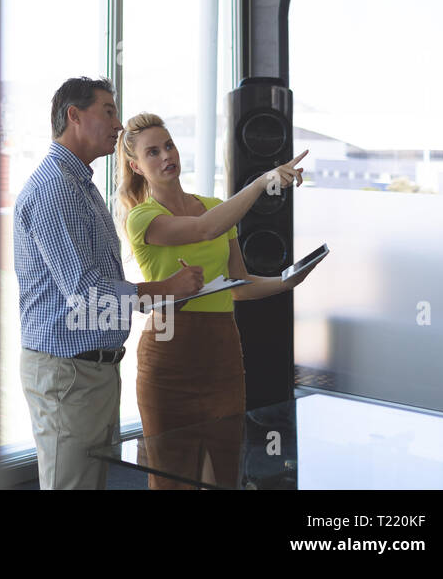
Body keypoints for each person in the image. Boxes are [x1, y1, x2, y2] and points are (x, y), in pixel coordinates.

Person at [15, 77, 205, 490]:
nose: (119, 125)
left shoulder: (79, 184)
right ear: (74, 116)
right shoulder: (56, 188)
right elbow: (87, 295)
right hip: (69, 373)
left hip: (90, 371)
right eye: (108, 111)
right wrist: (165, 290)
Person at [115, 112, 312, 489]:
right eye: (152, 152)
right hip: (169, 358)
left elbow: (239, 285)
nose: (165, 156)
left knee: (223, 474)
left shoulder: (215, 205)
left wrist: (285, 282)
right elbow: (205, 228)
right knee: (171, 477)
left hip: (222, 354)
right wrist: (260, 183)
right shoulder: (142, 217)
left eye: (168, 145)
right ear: (136, 166)